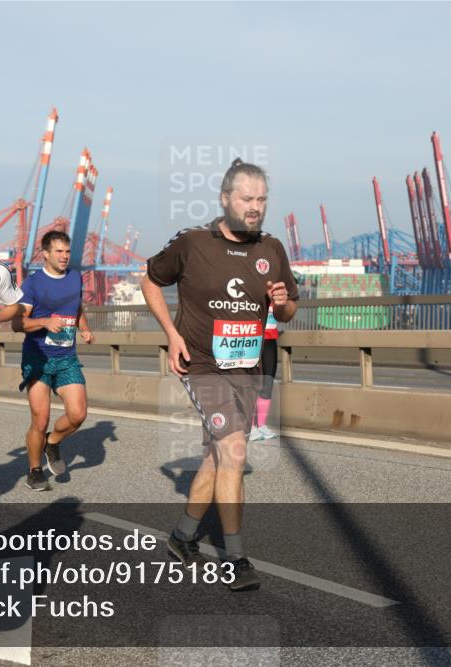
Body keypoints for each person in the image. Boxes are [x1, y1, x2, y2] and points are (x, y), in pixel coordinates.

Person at [142, 159, 298, 592]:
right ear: (225, 198)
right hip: (202, 365)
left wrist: (282, 302)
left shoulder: (272, 248)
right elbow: (150, 280)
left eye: (262, 199)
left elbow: (287, 310)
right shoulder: (193, 242)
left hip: (246, 369)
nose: (255, 207)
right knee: (233, 451)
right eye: (247, 198)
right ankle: (236, 557)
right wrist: (171, 335)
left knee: (216, 455)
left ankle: (181, 537)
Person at [11, 230, 94, 491]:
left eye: (67, 251)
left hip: (67, 357)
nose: (64, 256)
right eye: (58, 251)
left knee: (78, 414)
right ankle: (34, 471)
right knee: (40, 418)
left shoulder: (74, 278)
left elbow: (76, 305)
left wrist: (85, 327)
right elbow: (17, 323)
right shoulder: (33, 284)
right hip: (38, 359)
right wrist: (44, 322)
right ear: (45, 253)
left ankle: (53, 442)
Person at [249, 305, 280, 442]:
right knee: (250, 385)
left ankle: (261, 424)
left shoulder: (276, 291)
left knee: (268, 383)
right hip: (252, 340)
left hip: (270, 340)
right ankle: (249, 426)